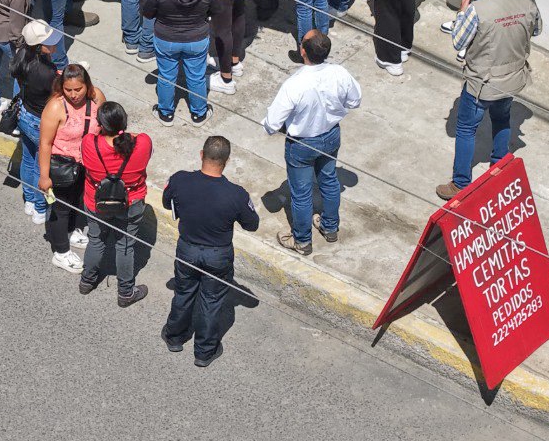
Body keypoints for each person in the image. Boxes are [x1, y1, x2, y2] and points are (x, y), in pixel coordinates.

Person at [437, 0, 541, 201]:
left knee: (465, 129)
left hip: (481, 83)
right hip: (513, 78)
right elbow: (536, 30)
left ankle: (461, 183)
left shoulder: (477, 10)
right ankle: (499, 165)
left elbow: (458, 41)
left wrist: (462, 14)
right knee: (502, 119)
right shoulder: (527, 1)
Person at [161, 135, 260, 367]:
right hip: (218, 255)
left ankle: (175, 337)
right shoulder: (237, 195)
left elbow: (168, 203)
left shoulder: (179, 180)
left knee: (184, 292)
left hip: (187, 249)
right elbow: (252, 224)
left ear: (201, 155)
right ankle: (204, 352)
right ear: (226, 161)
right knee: (211, 302)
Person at [263, 30, 361, 255]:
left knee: (301, 193)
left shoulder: (294, 83)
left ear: (302, 51)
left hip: (302, 145)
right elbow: (355, 100)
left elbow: (271, 123)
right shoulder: (339, 73)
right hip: (331, 136)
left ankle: (302, 241)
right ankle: (330, 227)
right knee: (329, 180)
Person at [79, 103, 153, 307]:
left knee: (96, 240)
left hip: (96, 201)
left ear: (100, 124)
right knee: (125, 245)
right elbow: (138, 138)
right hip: (131, 202)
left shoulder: (89, 143)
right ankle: (126, 292)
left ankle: (87, 281)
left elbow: (92, 140)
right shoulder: (143, 143)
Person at [37, 64, 105, 274]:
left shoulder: (96, 98)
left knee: (78, 201)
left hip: (85, 164)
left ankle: (71, 231)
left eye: (78, 89)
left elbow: (103, 124)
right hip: (62, 166)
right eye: (68, 90)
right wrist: (44, 176)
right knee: (60, 209)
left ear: (87, 86)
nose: (74, 95)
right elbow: (45, 143)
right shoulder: (55, 107)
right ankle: (61, 252)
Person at [143, 0, 221, 126]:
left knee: (166, 76)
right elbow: (216, 11)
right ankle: (199, 114)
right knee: (196, 76)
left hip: (166, 39)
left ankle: (165, 113)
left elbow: (148, 13)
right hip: (197, 39)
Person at [11, 20, 60, 224]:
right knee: (42, 167)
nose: (55, 44)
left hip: (24, 115)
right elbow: (57, 93)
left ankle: (29, 200)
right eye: (49, 42)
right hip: (40, 122)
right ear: (39, 47)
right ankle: (41, 207)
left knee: (28, 159)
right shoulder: (46, 72)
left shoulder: (22, 57)